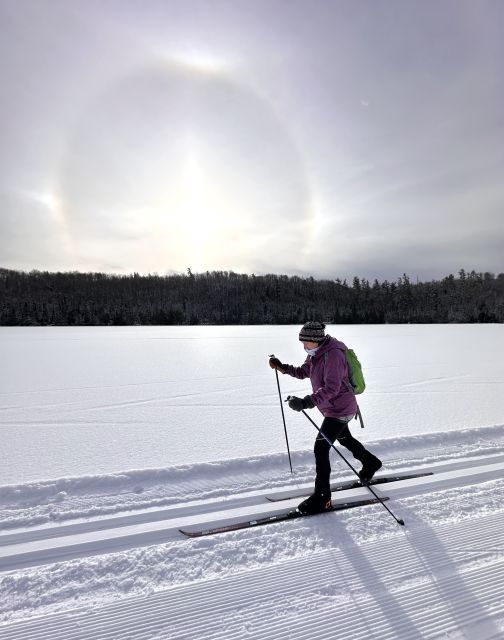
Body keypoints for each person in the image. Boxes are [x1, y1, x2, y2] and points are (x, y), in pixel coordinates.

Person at [269, 321, 382, 515]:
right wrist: (283, 368)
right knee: (344, 438)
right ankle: (371, 462)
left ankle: (323, 498)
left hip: (341, 409)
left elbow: (332, 388)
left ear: (316, 339)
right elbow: (305, 371)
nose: (304, 346)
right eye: (302, 342)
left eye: (306, 342)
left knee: (320, 448)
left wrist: (305, 402)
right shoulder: (316, 353)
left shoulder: (333, 355)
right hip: (332, 408)